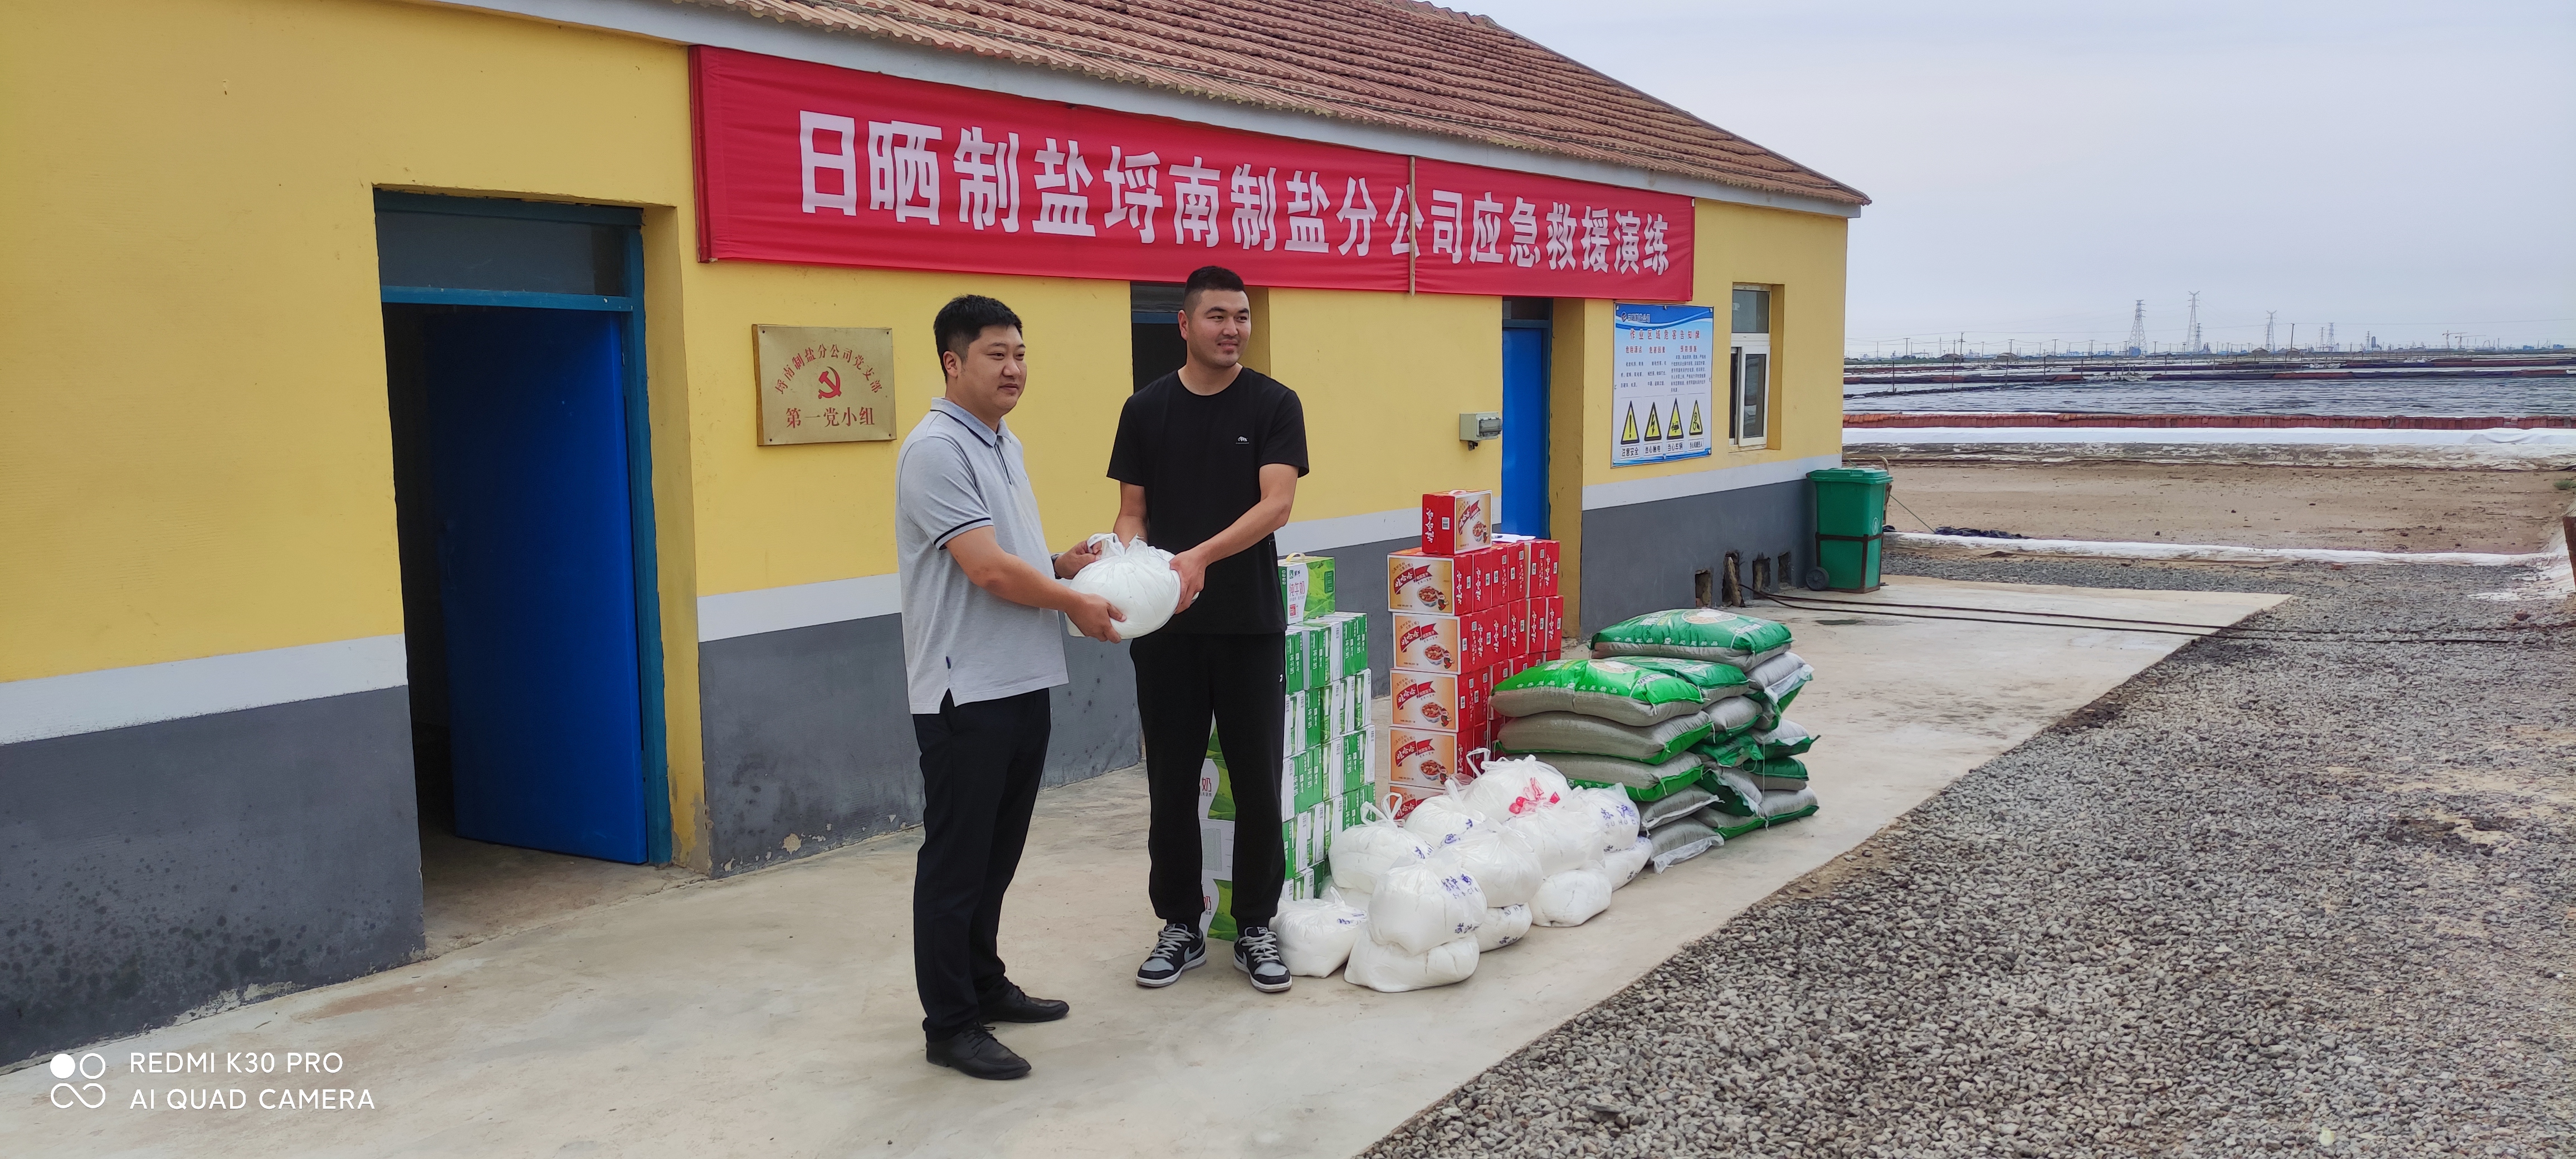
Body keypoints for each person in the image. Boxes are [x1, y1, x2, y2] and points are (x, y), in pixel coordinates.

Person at [897, 294, 1124, 1080]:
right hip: (965, 691)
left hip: (1022, 680)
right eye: (996, 354)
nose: (1014, 369)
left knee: (996, 857)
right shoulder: (935, 450)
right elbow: (988, 570)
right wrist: (1074, 602)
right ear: (952, 362)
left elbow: (1013, 556)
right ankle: (950, 1024)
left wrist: (1062, 566)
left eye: (1020, 354)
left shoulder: (1001, 442)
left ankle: (984, 984)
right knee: (957, 864)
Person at [1108, 265, 1308, 994]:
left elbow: (1276, 504)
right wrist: (1125, 562)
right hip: (1167, 632)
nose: (1233, 329)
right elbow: (1133, 511)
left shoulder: (1274, 404)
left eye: (1242, 317)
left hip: (1248, 625)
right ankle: (1180, 925)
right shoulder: (1145, 409)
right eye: (1218, 316)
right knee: (1170, 783)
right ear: (1184, 325)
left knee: (1257, 782)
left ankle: (1255, 924)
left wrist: (1199, 557)